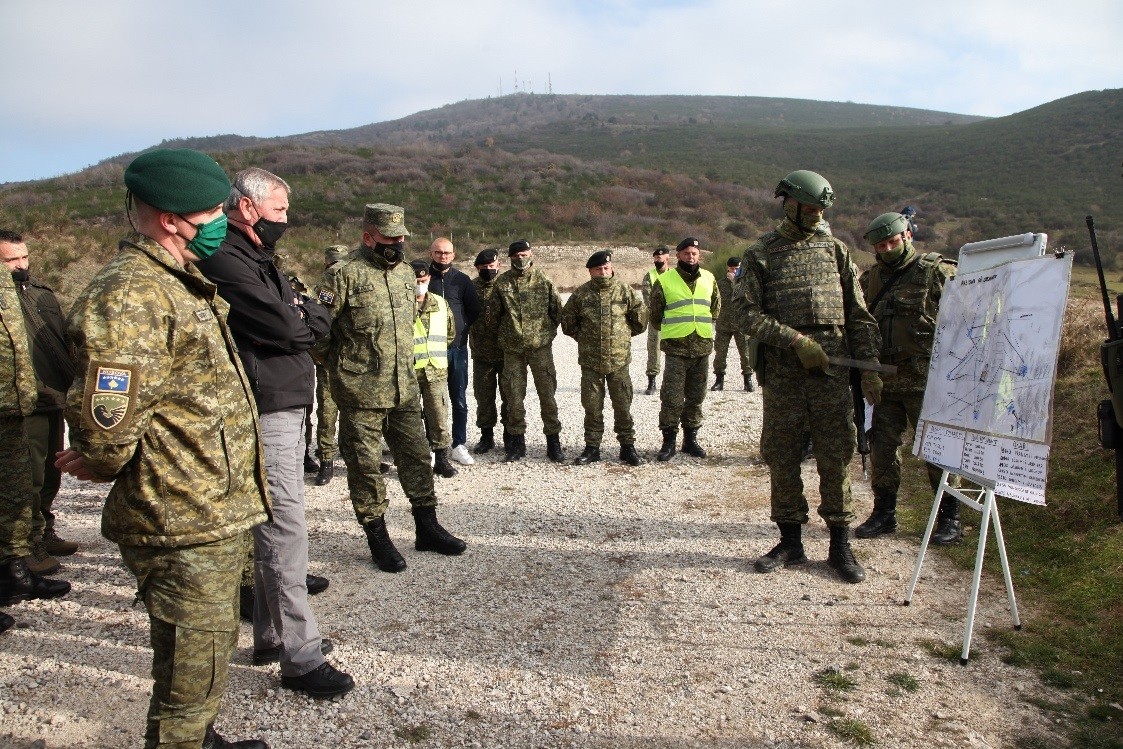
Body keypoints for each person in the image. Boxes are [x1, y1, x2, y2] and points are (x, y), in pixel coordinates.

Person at [56, 148, 269, 748]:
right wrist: (98, 459)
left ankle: (201, 736)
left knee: (206, 653)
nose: (223, 223)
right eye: (211, 214)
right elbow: (109, 414)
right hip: (177, 514)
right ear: (170, 220)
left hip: (209, 507)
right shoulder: (132, 296)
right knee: (187, 672)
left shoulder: (175, 281)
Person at [195, 167, 352, 699]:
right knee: (284, 525)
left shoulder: (258, 256)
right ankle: (300, 656)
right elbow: (290, 327)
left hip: (282, 399)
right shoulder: (225, 258)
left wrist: (302, 316)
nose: (286, 220)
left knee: (273, 520)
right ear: (245, 207)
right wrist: (301, 318)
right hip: (264, 406)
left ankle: (270, 637)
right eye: (279, 210)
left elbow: (312, 318)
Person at [733, 169, 882, 584]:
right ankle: (790, 541)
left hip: (833, 378)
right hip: (784, 377)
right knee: (782, 457)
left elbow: (858, 316)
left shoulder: (836, 251)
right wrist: (795, 341)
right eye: (811, 208)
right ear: (789, 203)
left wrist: (868, 371)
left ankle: (840, 545)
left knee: (836, 456)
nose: (817, 216)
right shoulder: (761, 253)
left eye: (822, 210)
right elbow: (743, 313)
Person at [314, 203, 466, 574]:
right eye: (389, 238)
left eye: (402, 238)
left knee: (416, 456)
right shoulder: (341, 275)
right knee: (365, 465)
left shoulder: (403, 276)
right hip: (361, 392)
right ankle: (377, 536)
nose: (397, 245)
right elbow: (318, 333)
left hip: (404, 387)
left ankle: (427, 527)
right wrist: (344, 370)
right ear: (368, 237)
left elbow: (408, 322)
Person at [855, 211, 960, 543]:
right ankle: (885, 513)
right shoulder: (869, 279)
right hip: (884, 382)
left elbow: (968, 320)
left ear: (908, 236)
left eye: (893, 242)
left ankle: (950, 518)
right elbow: (858, 323)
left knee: (936, 450)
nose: (888, 249)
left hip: (926, 380)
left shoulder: (938, 273)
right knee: (883, 448)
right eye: (881, 245)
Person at [0, 231, 79, 575]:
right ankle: (25, 547)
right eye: (11, 260)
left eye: (24, 257)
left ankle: (44, 530)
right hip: (22, 401)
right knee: (26, 477)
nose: (20, 265)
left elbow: (63, 338)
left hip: (54, 396)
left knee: (51, 472)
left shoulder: (41, 293)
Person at [561, 250, 648, 466]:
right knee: (591, 407)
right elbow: (568, 322)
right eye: (598, 269)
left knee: (623, 405)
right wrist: (585, 338)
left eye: (606, 268)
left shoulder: (624, 290)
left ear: (611, 268)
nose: (603, 272)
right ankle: (592, 448)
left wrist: (622, 336)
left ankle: (627, 447)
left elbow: (640, 319)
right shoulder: (581, 294)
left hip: (619, 360)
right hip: (591, 362)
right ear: (590, 271)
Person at [485, 239, 565, 463]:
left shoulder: (543, 280)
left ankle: (553, 443)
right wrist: (507, 334)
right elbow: (492, 317)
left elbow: (557, 311)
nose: (521, 258)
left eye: (524, 254)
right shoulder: (502, 283)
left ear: (531, 254)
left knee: (547, 396)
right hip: (512, 351)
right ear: (510, 258)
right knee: (513, 397)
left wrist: (545, 333)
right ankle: (516, 444)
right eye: (516, 255)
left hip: (540, 349)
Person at [649, 237, 720, 462]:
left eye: (695, 254)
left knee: (696, 396)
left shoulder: (709, 278)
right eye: (687, 253)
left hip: (701, 346)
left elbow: (715, 308)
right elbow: (656, 316)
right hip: (676, 349)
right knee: (671, 397)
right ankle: (668, 442)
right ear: (677, 255)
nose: (692, 257)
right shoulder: (665, 280)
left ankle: (690, 440)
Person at [427, 237, 480, 466]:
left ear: (454, 255)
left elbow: (473, 311)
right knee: (431, 401)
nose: (443, 257)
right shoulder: (422, 278)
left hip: (456, 350)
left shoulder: (462, 281)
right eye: (439, 253)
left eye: (447, 253)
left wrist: (461, 329)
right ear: (432, 254)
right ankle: (432, 444)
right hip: (429, 353)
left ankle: (458, 444)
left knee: (458, 398)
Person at [410, 260, 458, 479]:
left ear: (429, 278)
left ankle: (441, 459)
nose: (420, 284)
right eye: (416, 281)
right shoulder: (401, 304)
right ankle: (414, 460)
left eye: (423, 280)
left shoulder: (440, 303)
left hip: (435, 369)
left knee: (438, 415)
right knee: (409, 418)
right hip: (409, 371)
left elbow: (450, 334)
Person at [314, 245, 351, 486]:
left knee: (354, 414)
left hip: (352, 363)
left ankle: (354, 458)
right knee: (327, 414)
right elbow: (319, 327)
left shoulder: (353, 284)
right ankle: (326, 461)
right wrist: (325, 357)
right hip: (331, 362)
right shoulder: (324, 289)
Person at [468, 249, 506, 454]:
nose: (488, 270)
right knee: (483, 396)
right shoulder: (470, 288)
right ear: (477, 268)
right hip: (481, 353)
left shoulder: (506, 285)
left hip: (506, 353)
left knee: (510, 397)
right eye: (484, 268)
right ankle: (486, 436)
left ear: (499, 266)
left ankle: (512, 435)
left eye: (492, 267)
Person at [712, 256, 756, 393]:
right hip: (723, 324)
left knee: (746, 354)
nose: (735, 271)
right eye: (732, 268)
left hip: (741, 324)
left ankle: (748, 380)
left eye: (737, 268)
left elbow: (748, 299)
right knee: (720, 353)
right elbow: (714, 301)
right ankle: (719, 380)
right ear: (728, 268)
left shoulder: (746, 283)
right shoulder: (720, 284)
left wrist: (735, 283)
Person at [641, 246, 671, 395]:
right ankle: (652, 381)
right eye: (656, 258)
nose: (658, 260)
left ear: (667, 258)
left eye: (660, 258)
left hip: (674, 319)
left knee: (677, 350)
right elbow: (648, 298)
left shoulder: (676, 275)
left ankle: (673, 384)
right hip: (656, 319)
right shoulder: (650, 276)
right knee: (653, 349)